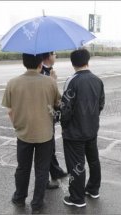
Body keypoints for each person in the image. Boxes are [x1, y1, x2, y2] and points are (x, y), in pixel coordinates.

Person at [2, 53, 61, 213]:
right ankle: (37, 203)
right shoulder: (50, 82)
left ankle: (19, 198)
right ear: (41, 63)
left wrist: (18, 126)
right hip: (45, 134)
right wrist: (54, 82)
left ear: (23, 63)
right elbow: (58, 105)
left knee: (23, 168)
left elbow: (10, 111)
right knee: (42, 170)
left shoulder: (13, 83)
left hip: (23, 134)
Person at [60, 48, 105, 207]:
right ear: (88, 60)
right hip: (92, 129)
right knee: (93, 160)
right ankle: (93, 189)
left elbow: (65, 108)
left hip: (75, 132)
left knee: (76, 165)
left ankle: (77, 198)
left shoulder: (72, 81)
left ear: (73, 63)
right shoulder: (97, 80)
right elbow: (101, 104)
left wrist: (64, 125)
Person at [41, 51, 67, 189]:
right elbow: (46, 96)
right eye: (54, 54)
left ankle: (55, 171)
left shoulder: (49, 71)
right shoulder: (40, 72)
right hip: (44, 116)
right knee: (46, 147)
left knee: (50, 146)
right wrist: (52, 82)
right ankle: (44, 181)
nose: (56, 56)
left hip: (50, 115)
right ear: (48, 56)